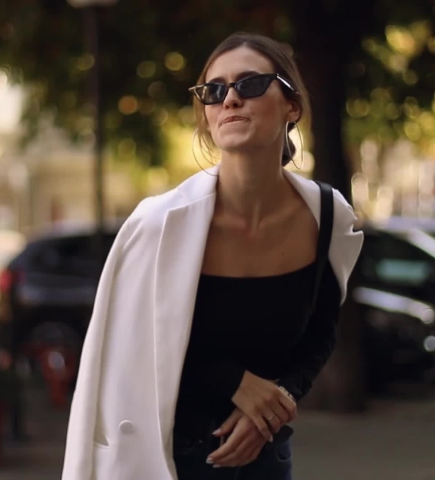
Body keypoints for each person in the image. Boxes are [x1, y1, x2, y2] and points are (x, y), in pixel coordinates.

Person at [61, 32, 363, 480]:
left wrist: (275, 405)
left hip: (267, 458)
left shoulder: (327, 215)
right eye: (215, 90)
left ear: (292, 105)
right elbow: (134, 347)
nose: (231, 99)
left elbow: (320, 333)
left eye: (251, 84)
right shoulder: (159, 223)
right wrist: (237, 384)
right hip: (168, 459)